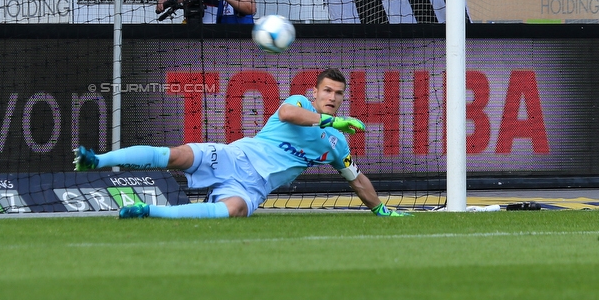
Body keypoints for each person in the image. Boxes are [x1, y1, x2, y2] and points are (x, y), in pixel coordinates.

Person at [74, 68, 410, 219]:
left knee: (232, 210)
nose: (332, 97)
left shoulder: (337, 144)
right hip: (233, 156)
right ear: (316, 92)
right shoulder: (301, 105)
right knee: (177, 155)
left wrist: (379, 208)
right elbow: (287, 113)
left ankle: (148, 212)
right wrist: (333, 120)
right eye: (327, 91)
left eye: (338, 94)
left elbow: (356, 178)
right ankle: (97, 160)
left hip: (254, 186)